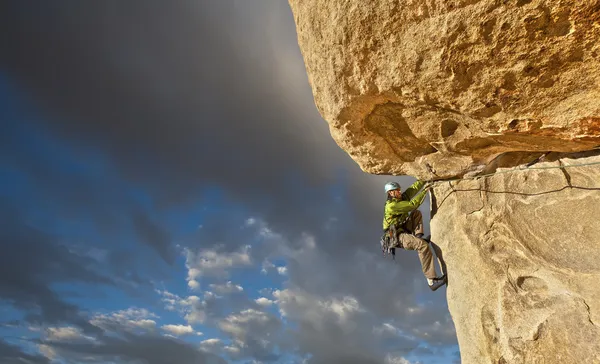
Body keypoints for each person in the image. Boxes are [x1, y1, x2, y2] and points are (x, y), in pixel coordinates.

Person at [382, 180, 447, 291]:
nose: (399, 192)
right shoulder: (392, 206)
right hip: (396, 236)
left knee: (416, 214)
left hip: (403, 228)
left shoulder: (401, 198)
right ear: (390, 193)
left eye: (399, 190)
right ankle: (431, 280)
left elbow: (413, 189)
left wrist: (424, 180)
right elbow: (413, 204)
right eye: (397, 191)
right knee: (422, 246)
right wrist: (426, 190)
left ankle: (419, 237)